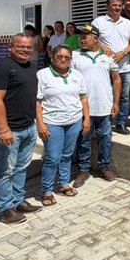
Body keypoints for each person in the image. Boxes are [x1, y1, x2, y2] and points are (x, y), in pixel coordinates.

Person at [0, 33, 43, 224]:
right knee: (5, 171)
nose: (26, 50)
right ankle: (6, 208)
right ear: (10, 47)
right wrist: (3, 128)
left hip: (27, 127)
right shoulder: (0, 68)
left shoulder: (31, 66)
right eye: (21, 47)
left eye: (29, 47)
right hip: (9, 129)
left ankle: (18, 201)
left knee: (21, 168)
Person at [36, 45, 90, 206]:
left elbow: (84, 98)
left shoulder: (77, 75)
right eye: (60, 56)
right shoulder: (43, 75)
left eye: (67, 57)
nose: (63, 59)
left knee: (67, 155)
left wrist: (86, 118)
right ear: (52, 56)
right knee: (52, 157)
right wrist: (40, 124)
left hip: (74, 121)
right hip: (52, 122)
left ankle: (64, 183)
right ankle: (46, 190)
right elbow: (37, 102)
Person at [71, 25, 122, 188]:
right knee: (84, 139)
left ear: (96, 38)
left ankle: (104, 166)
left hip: (104, 107)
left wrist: (116, 102)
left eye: (86, 36)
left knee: (105, 138)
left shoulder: (108, 57)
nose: (82, 39)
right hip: (83, 108)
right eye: (81, 36)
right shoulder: (75, 56)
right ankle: (83, 169)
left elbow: (117, 79)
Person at [91, 0, 130, 134]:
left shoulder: (127, 23)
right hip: (105, 69)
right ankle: (105, 122)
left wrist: (123, 53)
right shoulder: (98, 22)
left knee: (124, 97)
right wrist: (102, 45)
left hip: (124, 68)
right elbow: (89, 36)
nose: (117, 8)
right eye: (114, 5)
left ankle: (121, 122)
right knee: (105, 95)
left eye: (119, 5)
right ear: (107, 7)